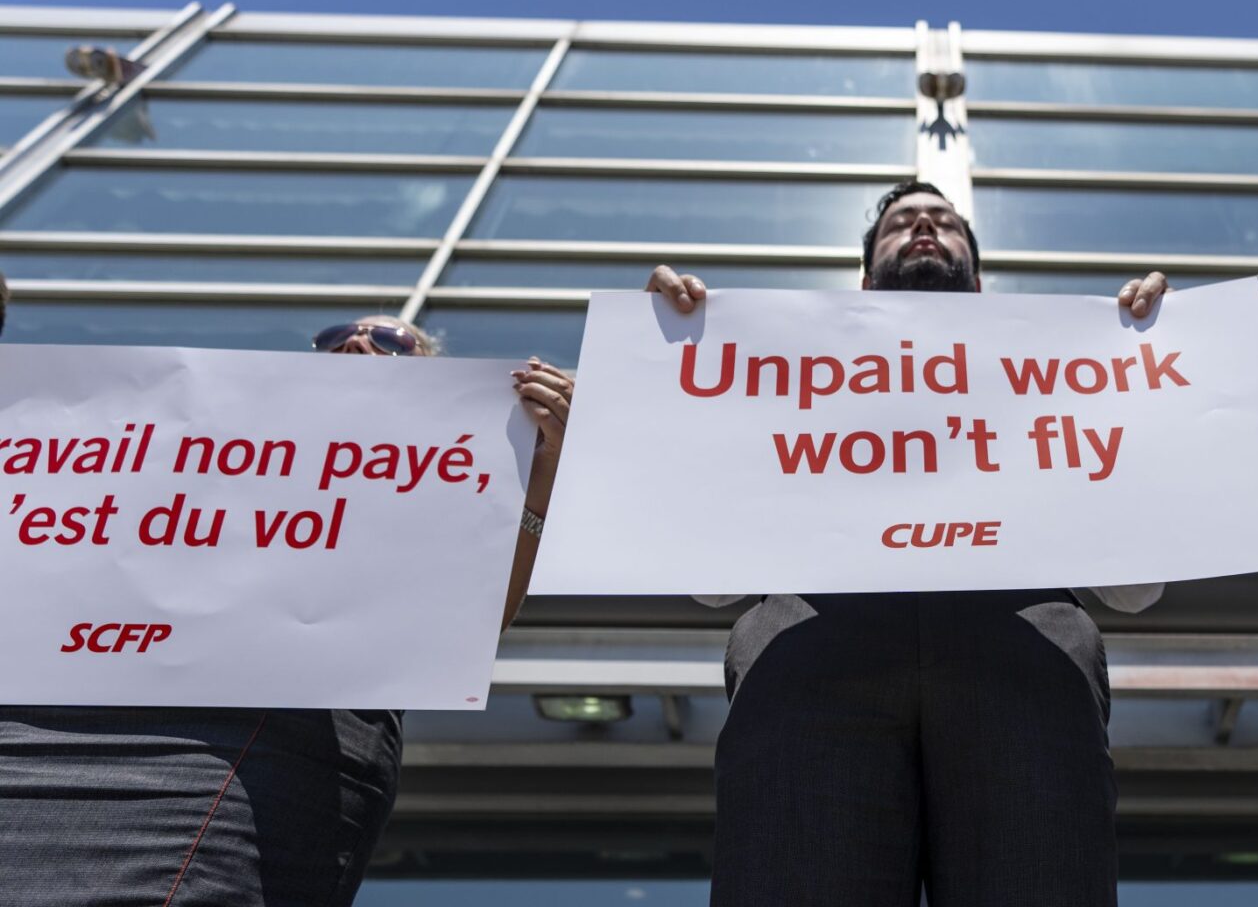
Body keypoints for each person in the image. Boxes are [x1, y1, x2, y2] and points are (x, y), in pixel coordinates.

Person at [647, 181, 1170, 907]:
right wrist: (684, 353)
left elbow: (1135, 591)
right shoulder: (779, 371)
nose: (924, 225)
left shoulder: (1059, 372)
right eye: (901, 222)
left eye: (945, 222)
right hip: (810, 642)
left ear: (981, 283)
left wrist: (1137, 364)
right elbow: (711, 584)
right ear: (863, 280)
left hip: (1024, 644)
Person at [0, 312, 574, 906]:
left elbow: (462, 625)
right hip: (38, 726)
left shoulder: (438, 491)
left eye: (392, 341)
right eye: (334, 338)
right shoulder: (183, 445)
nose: (356, 342)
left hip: (246, 759)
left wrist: (535, 489)